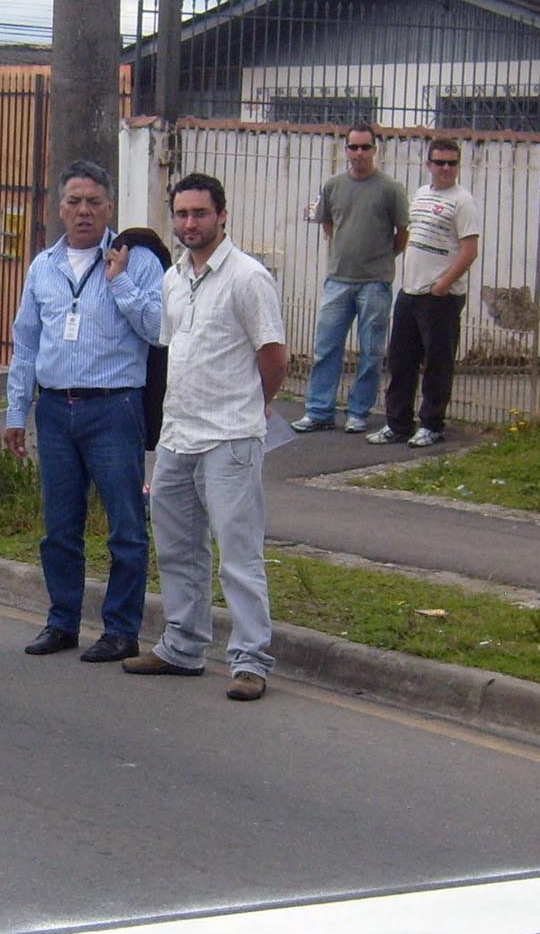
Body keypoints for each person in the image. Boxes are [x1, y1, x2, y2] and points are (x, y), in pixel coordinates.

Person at [124, 173, 288, 702]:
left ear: (223, 215)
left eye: (200, 213)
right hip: (178, 434)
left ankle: (250, 661)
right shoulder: (173, 279)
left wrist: (257, 405)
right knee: (175, 547)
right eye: (182, 214)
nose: (190, 223)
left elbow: (274, 355)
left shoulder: (247, 278)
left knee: (238, 554)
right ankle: (183, 646)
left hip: (231, 437)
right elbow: (175, 350)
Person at [3, 160, 163, 664]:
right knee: (60, 527)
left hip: (113, 408)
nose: (83, 211)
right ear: (60, 208)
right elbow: (26, 343)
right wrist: (15, 412)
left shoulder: (134, 260)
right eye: (74, 202)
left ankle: (120, 630)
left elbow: (160, 328)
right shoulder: (42, 266)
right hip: (54, 409)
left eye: (94, 202)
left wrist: (119, 282)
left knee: (125, 527)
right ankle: (62, 621)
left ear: (110, 207)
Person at [295, 122, 409, 434]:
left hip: (375, 282)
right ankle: (319, 411)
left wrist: (382, 260)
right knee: (325, 348)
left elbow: (402, 234)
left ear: (375, 149)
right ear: (345, 150)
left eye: (365, 147)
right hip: (338, 280)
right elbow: (328, 224)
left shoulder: (390, 189)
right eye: (353, 147)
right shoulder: (333, 186)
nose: (359, 153)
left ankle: (358, 412)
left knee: (371, 352)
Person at [369, 139, 480, 449]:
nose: (445, 169)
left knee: (437, 363)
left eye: (451, 163)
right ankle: (398, 423)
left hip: (440, 296)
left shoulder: (462, 201)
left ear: (458, 166)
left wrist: (444, 283)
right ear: (429, 164)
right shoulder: (419, 194)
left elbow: (469, 251)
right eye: (440, 162)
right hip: (410, 291)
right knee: (401, 360)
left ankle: (432, 424)